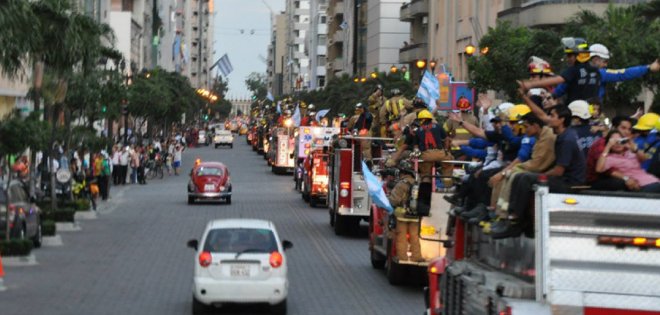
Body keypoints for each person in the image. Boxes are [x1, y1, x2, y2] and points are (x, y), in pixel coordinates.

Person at [491, 105, 586, 239]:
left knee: (526, 179)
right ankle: (512, 218)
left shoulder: (566, 139)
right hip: (563, 177)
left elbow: (559, 171)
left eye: (552, 116)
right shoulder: (563, 135)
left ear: (562, 120)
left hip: (570, 182)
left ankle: (516, 221)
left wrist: (541, 175)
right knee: (522, 177)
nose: (548, 119)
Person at [520, 38, 601, 105]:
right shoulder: (597, 72)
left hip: (575, 113)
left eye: (569, 55)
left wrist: (530, 84)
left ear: (579, 55)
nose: (567, 59)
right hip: (594, 112)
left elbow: (558, 81)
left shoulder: (574, 70)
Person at [596, 130, 660, 193]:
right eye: (614, 142)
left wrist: (634, 148)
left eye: (621, 141)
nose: (618, 144)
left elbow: (644, 159)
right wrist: (608, 146)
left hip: (652, 180)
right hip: (640, 184)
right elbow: (599, 169)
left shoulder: (630, 153)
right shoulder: (610, 158)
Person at [387, 159, 423, 262]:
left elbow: (394, 200)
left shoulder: (401, 184)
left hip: (402, 215)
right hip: (415, 215)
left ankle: (402, 257)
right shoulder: (417, 183)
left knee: (401, 237)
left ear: (402, 173)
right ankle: (417, 257)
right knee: (414, 237)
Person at [586, 116, 634, 191]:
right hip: (597, 181)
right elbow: (607, 169)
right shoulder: (601, 144)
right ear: (614, 128)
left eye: (629, 129)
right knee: (622, 183)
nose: (627, 132)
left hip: (615, 177)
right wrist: (626, 178)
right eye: (623, 128)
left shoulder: (624, 144)